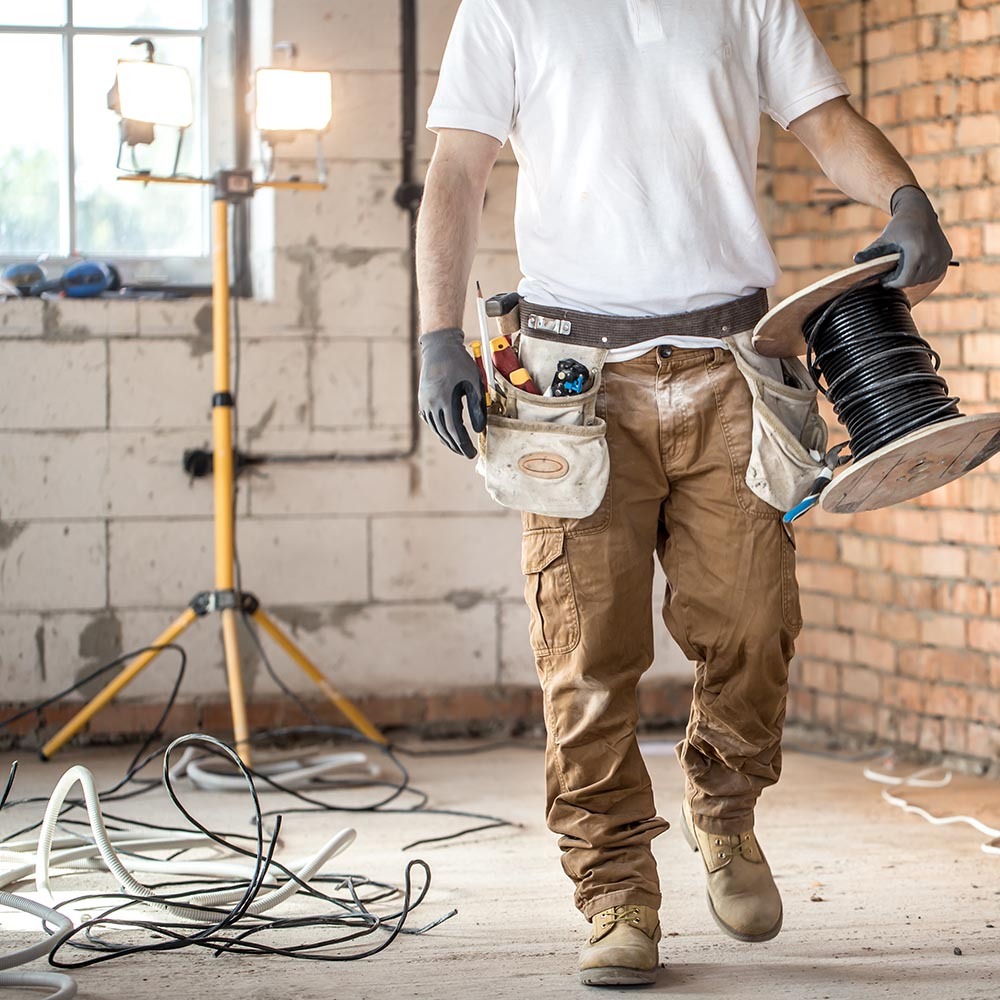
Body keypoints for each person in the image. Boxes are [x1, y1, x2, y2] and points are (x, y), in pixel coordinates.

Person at [415, 0, 951, 987]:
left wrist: (901, 196)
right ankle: (615, 889)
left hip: (734, 367)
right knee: (585, 653)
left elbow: (823, 120)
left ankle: (724, 807)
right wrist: (437, 330)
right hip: (571, 386)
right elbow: (458, 168)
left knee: (754, 619)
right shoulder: (505, 7)